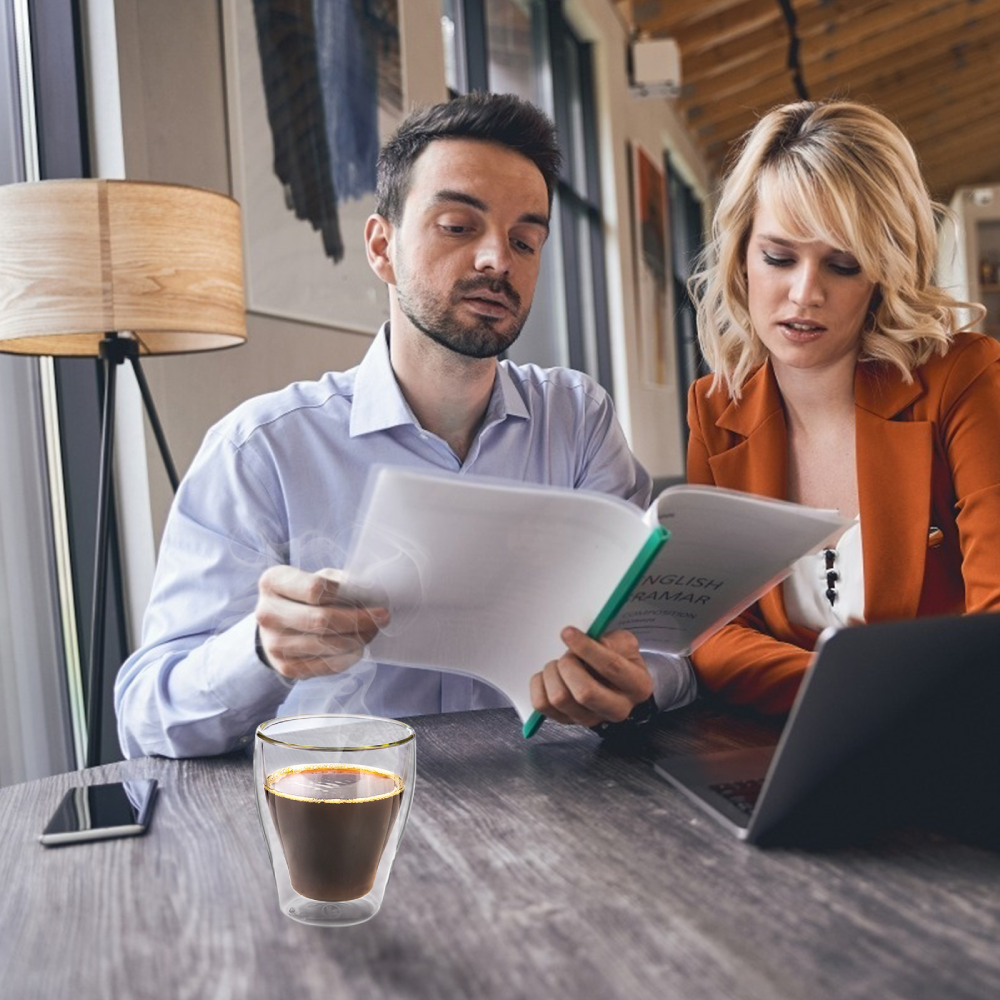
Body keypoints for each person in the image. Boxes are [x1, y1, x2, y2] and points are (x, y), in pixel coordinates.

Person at [115, 92, 696, 758]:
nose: (496, 261)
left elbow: (663, 648)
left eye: (525, 240)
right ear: (381, 246)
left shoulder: (579, 420)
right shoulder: (263, 450)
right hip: (347, 807)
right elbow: (145, 718)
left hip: (554, 810)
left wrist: (637, 683)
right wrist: (259, 649)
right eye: (458, 225)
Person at [686, 99, 1000, 715]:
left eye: (843, 264)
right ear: (742, 257)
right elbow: (711, 632)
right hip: (783, 753)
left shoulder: (964, 377)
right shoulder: (714, 410)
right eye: (779, 257)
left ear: (884, 274)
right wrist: (852, 693)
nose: (805, 293)